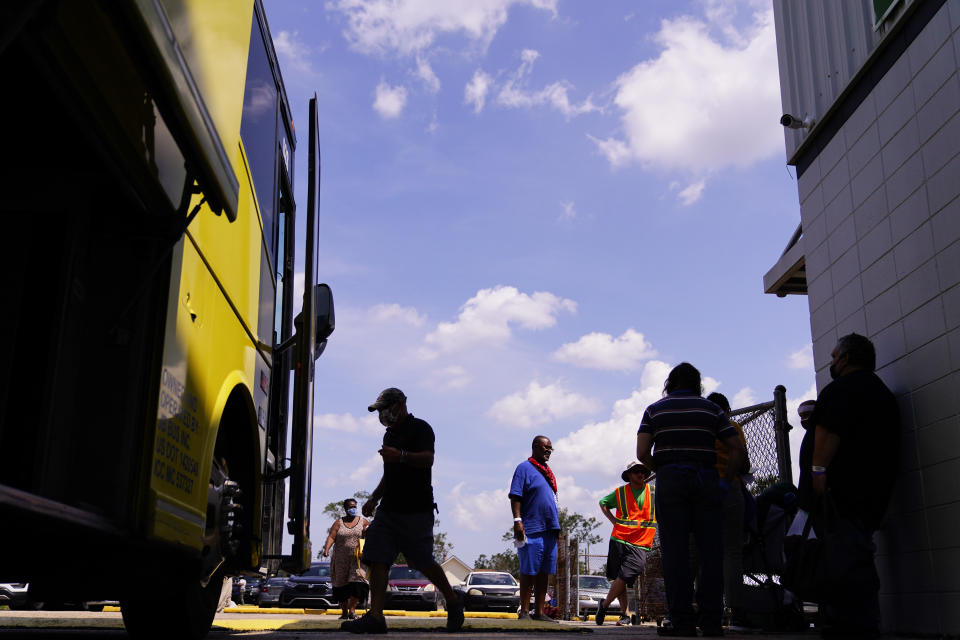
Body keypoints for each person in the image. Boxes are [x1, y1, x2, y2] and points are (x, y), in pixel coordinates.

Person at [636, 363, 746, 637]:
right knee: (712, 552)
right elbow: (736, 448)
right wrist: (725, 480)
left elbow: (641, 452)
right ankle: (711, 620)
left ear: (670, 383)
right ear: (698, 384)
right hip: (706, 480)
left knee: (675, 553)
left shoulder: (654, 410)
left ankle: (682, 620)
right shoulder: (712, 410)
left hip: (671, 480)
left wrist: (661, 468)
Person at [342, 388, 464, 634]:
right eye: (379, 411)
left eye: (385, 408)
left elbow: (428, 459)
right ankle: (376, 617)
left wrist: (401, 455)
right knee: (377, 557)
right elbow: (389, 474)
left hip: (416, 508)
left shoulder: (421, 428)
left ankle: (452, 602)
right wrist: (374, 498)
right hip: (389, 509)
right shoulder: (389, 436)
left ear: (400, 404)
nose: (383, 414)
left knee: (423, 562)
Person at [810, 334, 898, 638]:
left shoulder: (840, 391)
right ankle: (860, 621)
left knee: (844, 560)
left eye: (834, 358)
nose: (832, 363)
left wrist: (818, 474)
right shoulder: (881, 393)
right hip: (874, 492)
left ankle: (852, 625)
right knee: (857, 555)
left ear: (845, 359)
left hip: (841, 492)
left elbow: (827, 432)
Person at [706, 392, 750, 628]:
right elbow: (744, 462)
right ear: (727, 409)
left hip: (703, 489)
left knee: (702, 552)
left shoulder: (702, 431)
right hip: (729, 486)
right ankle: (737, 613)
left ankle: (702, 608)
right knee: (732, 551)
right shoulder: (731, 426)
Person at [595, 460, 657, 626]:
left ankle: (605, 604)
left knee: (630, 571)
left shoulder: (653, 492)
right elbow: (603, 503)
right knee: (619, 578)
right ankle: (625, 615)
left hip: (640, 543)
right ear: (629, 475)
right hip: (619, 539)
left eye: (643, 471)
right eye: (636, 471)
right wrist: (614, 521)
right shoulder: (621, 492)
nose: (641, 474)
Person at [509, 435, 561, 622]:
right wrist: (517, 520)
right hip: (532, 527)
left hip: (550, 529)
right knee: (529, 570)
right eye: (545, 447)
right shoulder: (524, 468)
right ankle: (524, 611)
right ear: (535, 447)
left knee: (544, 571)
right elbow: (515, 496)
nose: (548, 451)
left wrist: (556, 529)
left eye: (550, 449)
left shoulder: (547, 471)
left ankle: (539, 612)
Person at [321, 498, 370, 620]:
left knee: (358, 584)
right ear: (345, 509)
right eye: (350, 507)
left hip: (358, 559)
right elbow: (332, 536)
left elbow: (372, 535)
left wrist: (366, 532)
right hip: (341, 559)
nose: (353, 509)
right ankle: (344, 612)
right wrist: (326, 549)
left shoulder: (363, 521)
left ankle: (352, 610)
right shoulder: (339, 523)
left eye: (354, 506)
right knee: (341, 586)